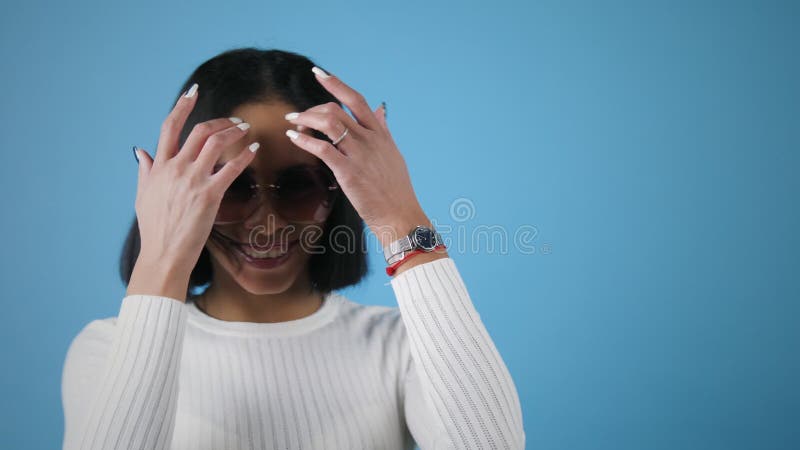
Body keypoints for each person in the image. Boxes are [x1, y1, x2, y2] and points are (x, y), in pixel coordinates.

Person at [60, 48, 525, 450]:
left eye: (299, 187)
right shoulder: (107, 349)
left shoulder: (400, 346)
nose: (266, 225)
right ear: (183, 191)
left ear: (338, 189)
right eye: (231, 188)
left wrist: (400, 213)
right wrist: (162, 254)